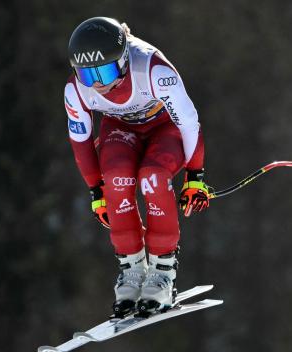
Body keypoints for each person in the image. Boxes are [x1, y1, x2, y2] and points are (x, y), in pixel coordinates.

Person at [64, 17, 212, 317]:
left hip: (165, 128)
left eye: (105, 72)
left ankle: (162, 271)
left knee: (152, 179)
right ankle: (131, 269)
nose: (99, 85)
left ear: (123, 60)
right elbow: (81, 141)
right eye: (87, 76)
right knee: (116, 179)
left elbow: (188, 122)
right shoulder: (76, 90)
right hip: (121, 130)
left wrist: (195, 176)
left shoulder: (153, 69)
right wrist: (96, 191)